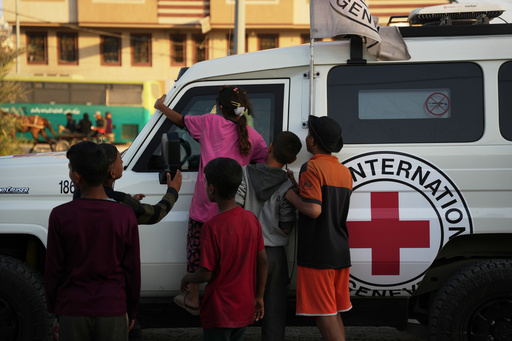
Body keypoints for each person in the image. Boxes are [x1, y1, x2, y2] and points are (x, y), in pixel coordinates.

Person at [155, 85, 268, 314]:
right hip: (232, 211)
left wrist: (160, 106)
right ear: (243, 109)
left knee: (197, 254)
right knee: (228, 259)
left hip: (203, 209)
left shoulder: (209, 122)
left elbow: (180, 120)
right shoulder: (255, 138)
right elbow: (262, 161)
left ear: (221, 108)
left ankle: (194, 298)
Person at [45, 141, 140, 341]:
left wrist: (54, 308)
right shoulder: (124, 214)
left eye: (70, 169)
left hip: (72, 309)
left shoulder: (60, 215)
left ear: (76, 176)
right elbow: (132, 269)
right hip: (113, 309)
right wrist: (131, 310)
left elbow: (53, 269)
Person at [180, 157, 268, 340]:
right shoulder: (251, 219)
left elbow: (206, 274)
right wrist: (259, 297)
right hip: (244, 307)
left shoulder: (211, 227)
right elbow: (263, 261)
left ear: (212, 189)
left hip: (219, 310)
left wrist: (188, 277)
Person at [284, 116, 353, 341]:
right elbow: (326, 200)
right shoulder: (344, 171)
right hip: (340, 251)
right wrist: (299, 186)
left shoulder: (311, 166)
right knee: (333, 312)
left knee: (324, 315)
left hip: (318, 254)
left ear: (312, 141)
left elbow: (314, 210)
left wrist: (291, 196)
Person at [235, 131, 302, 341]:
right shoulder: (286, 185)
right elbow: (286, 228)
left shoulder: (244, 173)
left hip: (244, 250)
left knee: (235, 305)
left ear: (270, 146)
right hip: (273, 255)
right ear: (292, 160)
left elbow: (234, 210)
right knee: (274, 310)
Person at [73, 143, 182, 225]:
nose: (122, 163)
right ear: (112, 173)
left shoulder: (80, 193)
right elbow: (156, 213)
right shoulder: (121, 201)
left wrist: (130, 202)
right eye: (120, 160)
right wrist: (172, 191)